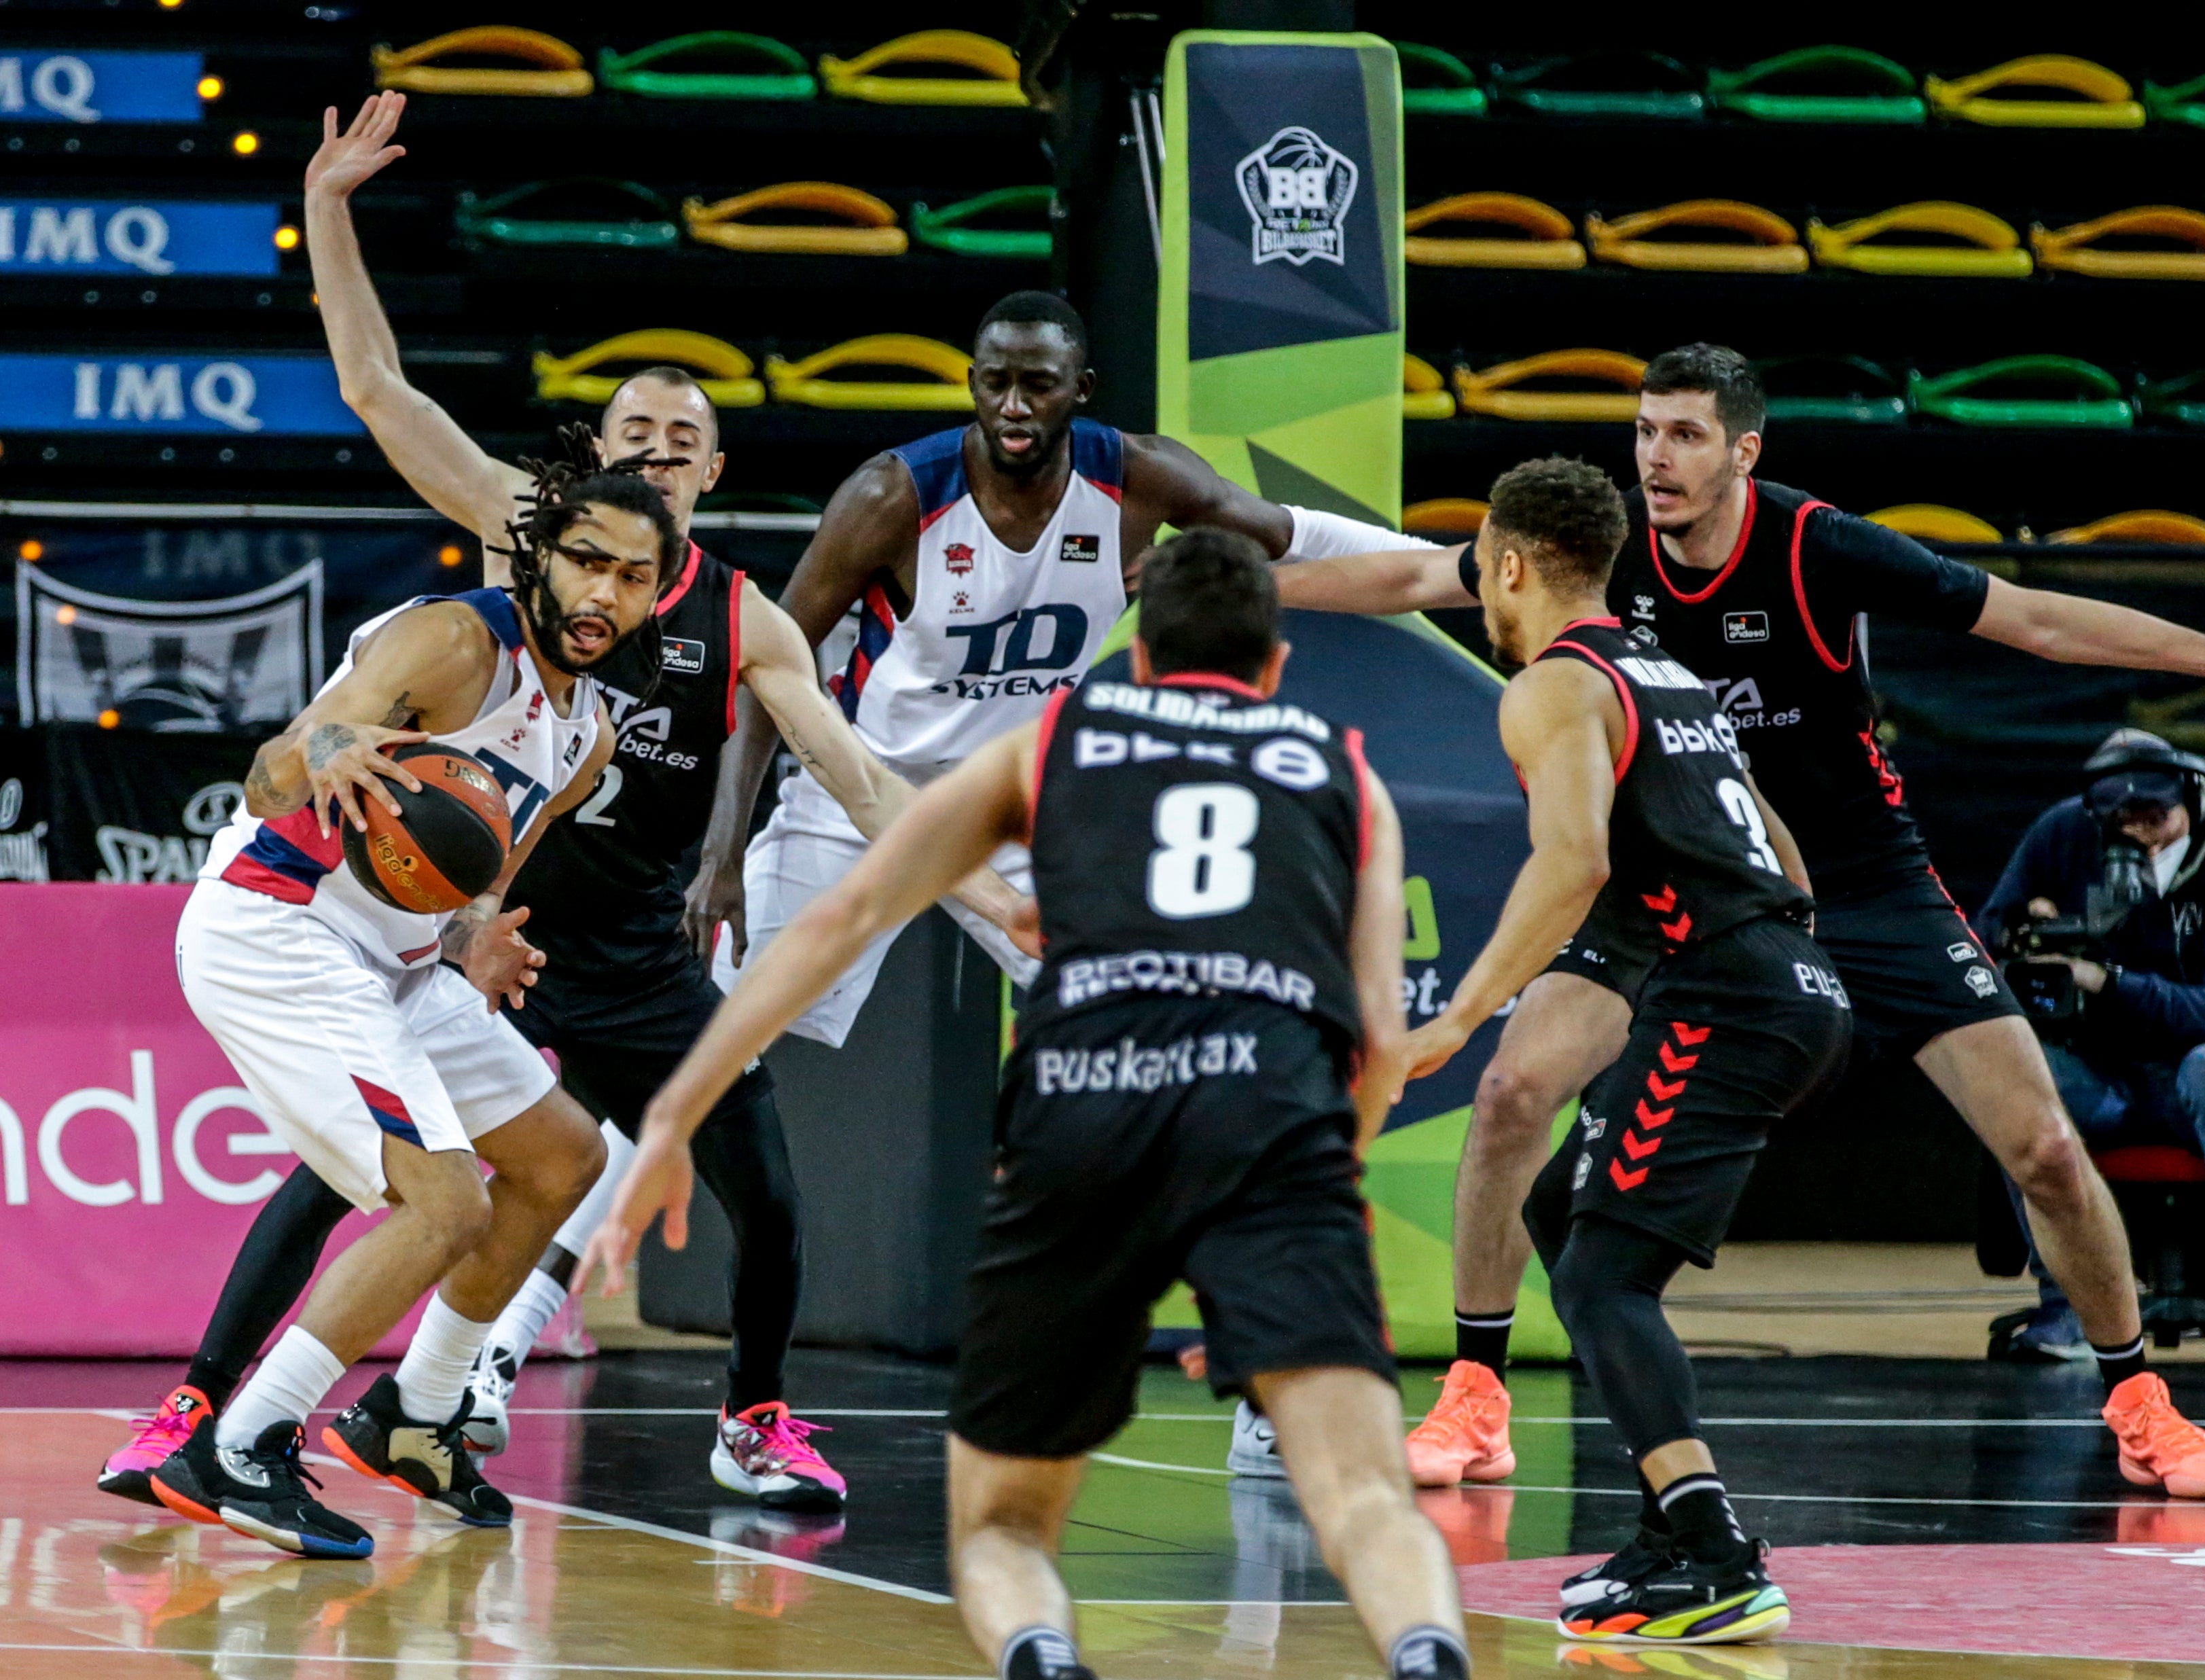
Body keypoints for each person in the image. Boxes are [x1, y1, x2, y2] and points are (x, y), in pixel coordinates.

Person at [98, 91, 1028, 1518]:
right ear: (588, 468)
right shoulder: (511, 578)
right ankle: (219, 1416)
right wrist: (330, 207)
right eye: (633, 429)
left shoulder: (718, 631)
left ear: (709, 478)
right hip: (375, 924)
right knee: (393, 1185)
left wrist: (982, 890)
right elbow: (377, 395)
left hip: (583, 944)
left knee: (635, 1167)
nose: (656, 449)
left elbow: (853, 773)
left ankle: (460, 1419)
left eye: (681, 435)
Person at [1276, 344, 2205, 1498]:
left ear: (1744, 450)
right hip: (1677, 886)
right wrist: (1230, 586)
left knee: (2046, 1147)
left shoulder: (1814, 545)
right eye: (1646, 431)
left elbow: (2038, 622)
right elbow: (1408, 577)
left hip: (1862, 879)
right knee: (1513, 1093)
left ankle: (2139, 1400)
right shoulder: (1609, 556)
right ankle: (1477, 1393)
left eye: (1686, 434)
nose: (1657, 456)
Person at [584, 532, 1472, 1680]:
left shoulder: (1054, 739)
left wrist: (670, 1118)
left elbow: (840, 920)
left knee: (1002, 1525)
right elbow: (1379, 1042)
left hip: (1083, 1110)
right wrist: (1293, 1224)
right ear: (1275, 662)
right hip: (1269, 1117)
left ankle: (1047, 1659)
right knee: (1361, 1494)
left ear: (1137, 657)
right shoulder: (1342, 769)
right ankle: (1427, 1652)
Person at [689, 283, 1412, 1468]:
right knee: (696, 1047)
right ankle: (492, 1363)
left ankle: (1264, 1378)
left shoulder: (1136, 479)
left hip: (1024, 810)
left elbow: (1287, 536)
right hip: (856, 798)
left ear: (1080, 390)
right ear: (970, 383)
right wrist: (723, 852)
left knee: (1178, 1049)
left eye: (1036, 383)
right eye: (992, 379)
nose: (1012, 404)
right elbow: (768, 666)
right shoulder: (891, 493)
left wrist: (1446, 567)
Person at [145, 454, 651, 1558]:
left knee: (563, 1157)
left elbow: (473, 885)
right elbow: (270, 776)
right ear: (538, 560)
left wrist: (474, 934)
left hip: (400, 967)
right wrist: (329, 744)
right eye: (586, 561)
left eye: (634, 574)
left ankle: (415, 1414)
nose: (605, 593)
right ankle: (239, 1444)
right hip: (282, 929)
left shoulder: (586, 738)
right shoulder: (454, 644)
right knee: (443, 1203)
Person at [1401, 458, 1846, 1644]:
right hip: (1776, 977)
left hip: (1729, 993)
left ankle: (1712, 1549)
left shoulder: (1551, 684)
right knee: (1563, 1215)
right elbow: (1778, 844)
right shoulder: (1667, 671)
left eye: (1483, 575)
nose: (1483, 606)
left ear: (1507, 562)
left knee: (1600, 1278)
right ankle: (1669, 1519)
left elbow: (1573, 865)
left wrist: (1454, 1017)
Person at [1981, 730, 2205, 1370]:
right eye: (2124, 818)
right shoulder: (2062, 833)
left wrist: (2105, 981)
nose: (2140, 832)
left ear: (2193, 801)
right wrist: (2021, 928)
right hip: (2105, 1069)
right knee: (2016, 1084)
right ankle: (2064, 1303)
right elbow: (1990, 934)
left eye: (2156, 817)